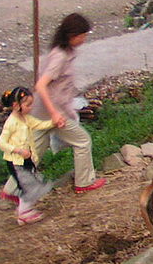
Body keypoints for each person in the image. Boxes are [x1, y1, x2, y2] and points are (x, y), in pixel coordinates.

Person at [30, 13, 106, 193]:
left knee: (34, 152)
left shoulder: (63, 52)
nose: (84, 39)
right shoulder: (60, 57)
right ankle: (84, 182)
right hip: (54, 113)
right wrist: (55, 114)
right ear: (72, 35)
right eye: (82, 35)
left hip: (41, 112)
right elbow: (41, 85)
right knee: (83, 141)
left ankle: (11, 189)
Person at [0, 86, 58, 224]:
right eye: (28, 105)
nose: (31, 108)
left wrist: (53, 123)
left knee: (33, 184)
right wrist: (18, 150)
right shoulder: (11, 123)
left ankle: (24, 209)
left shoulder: (25, 118)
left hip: (26, 160)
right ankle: (24, 213)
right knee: (30, 187)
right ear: (16, 105)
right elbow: (1, 143)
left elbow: (38, 124)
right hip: (16, 162)